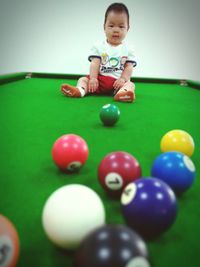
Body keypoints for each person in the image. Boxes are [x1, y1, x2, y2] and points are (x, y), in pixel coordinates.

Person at [61, 2, 137, 103]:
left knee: (130, 84)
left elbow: (129, 67)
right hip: (99, 81)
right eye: (111, 25)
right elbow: (95, 63)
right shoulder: (99, 46)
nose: (116, 30)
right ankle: (80, 90)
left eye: (121, 26)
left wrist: (123, 79)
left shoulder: (128, 49)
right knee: (83, 79)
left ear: (128, 28)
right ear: (104, 27)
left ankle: (122, 94)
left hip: (117, 83)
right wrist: (93, 78)